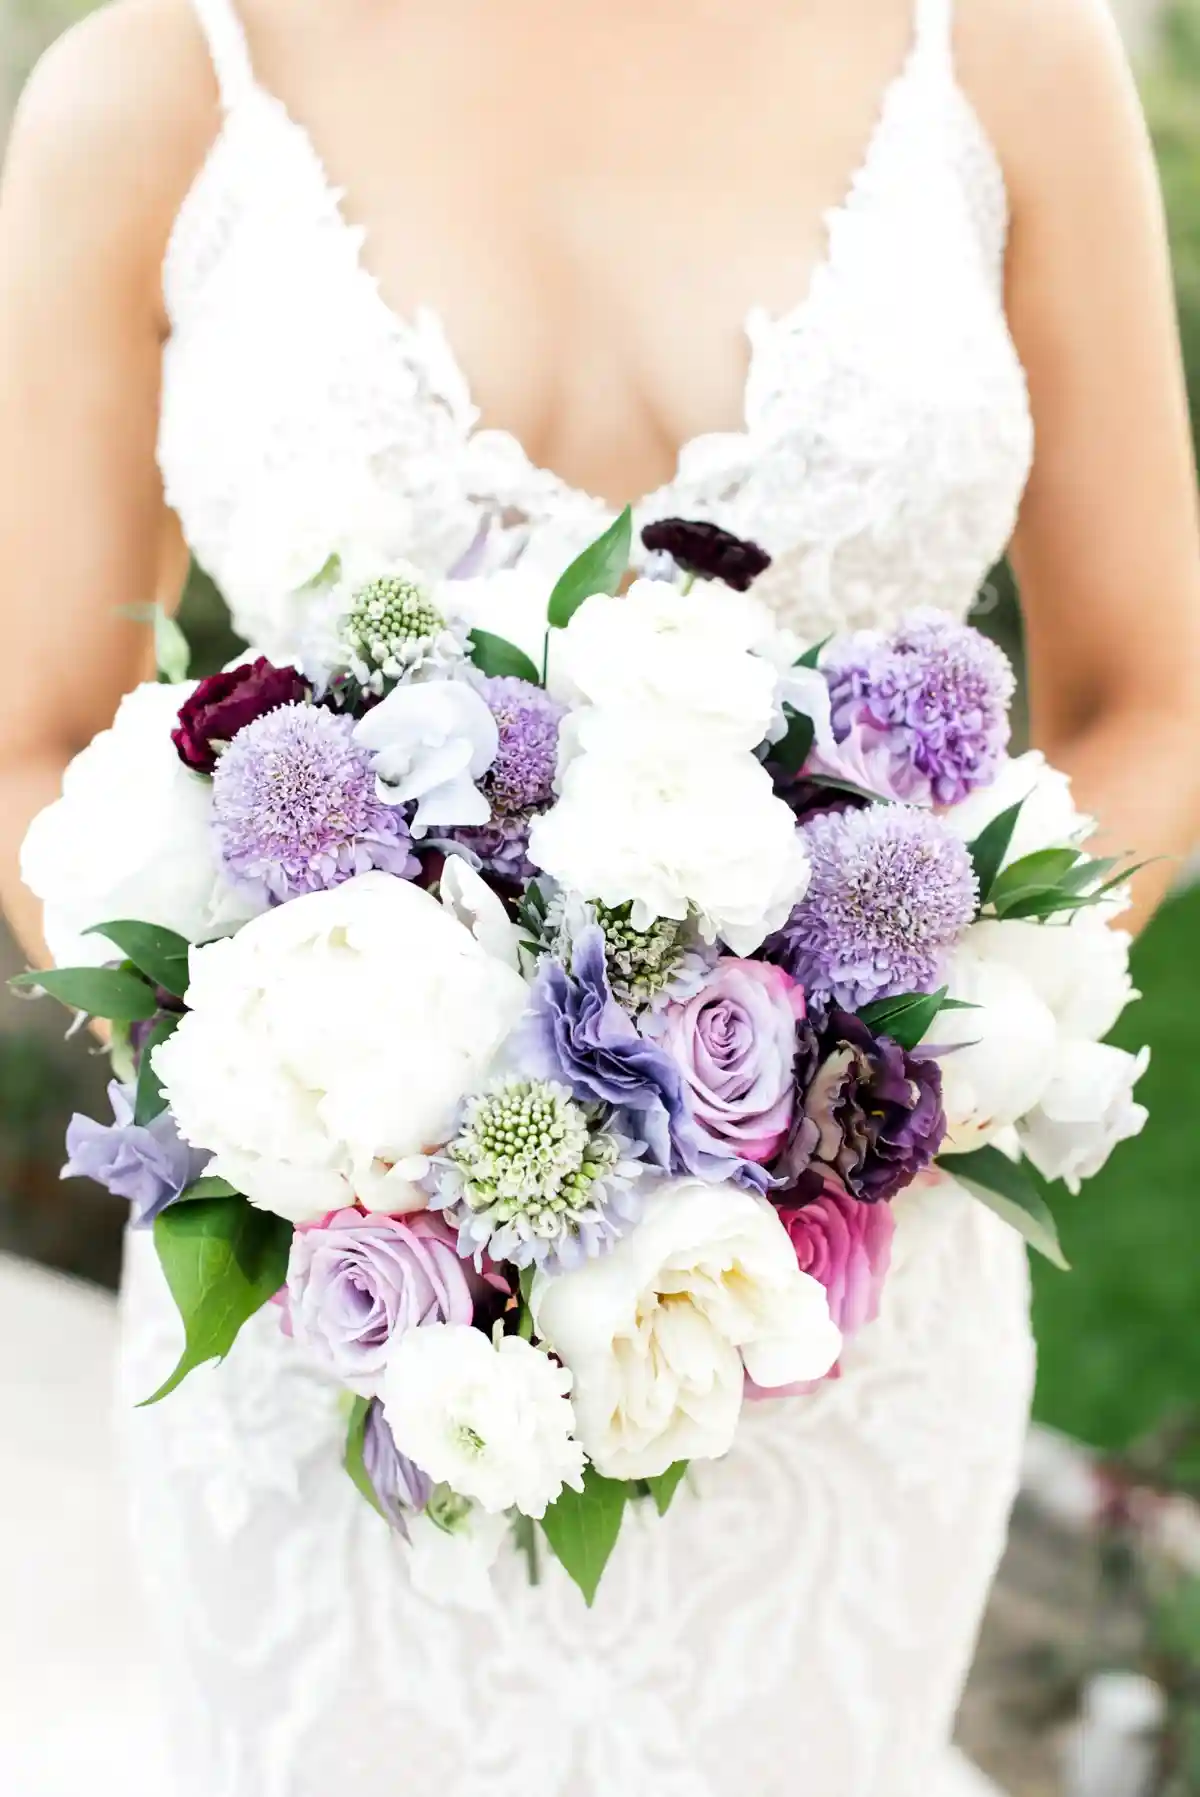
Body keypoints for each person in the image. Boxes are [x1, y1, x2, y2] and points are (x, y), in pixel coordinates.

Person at [1, 1, 1198, 1793]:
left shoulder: (1008, 54)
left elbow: (1153, 700)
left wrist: (876, 1043)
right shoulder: (158, 81)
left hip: (847, 1305)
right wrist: (316, 1084)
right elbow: (26, 742)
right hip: (340, 1312)